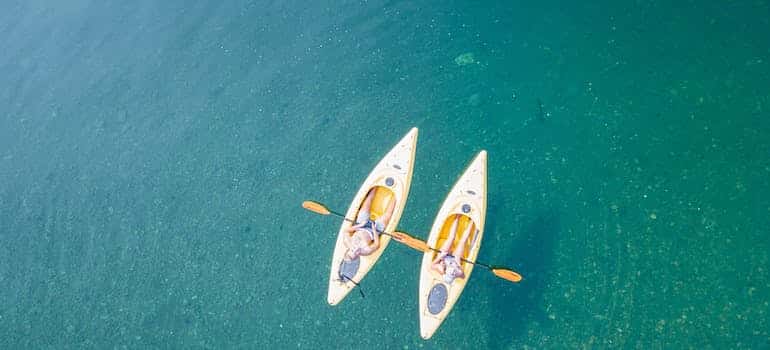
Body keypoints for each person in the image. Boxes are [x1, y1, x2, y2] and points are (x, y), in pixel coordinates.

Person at [343, 188, 395, 261]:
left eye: (352, 251)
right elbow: (377, 244)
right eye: (355, 253)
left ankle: (376, 187)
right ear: (357, 256)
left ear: (348, 249)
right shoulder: (366, 251)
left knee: (368, 201)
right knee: (388, 214)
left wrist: (360, 225)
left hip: (361, 225)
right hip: (374, 231)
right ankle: (395, 197)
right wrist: (374, 228)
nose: (355, 250)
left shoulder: (347, 241)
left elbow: (346, 230)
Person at [431, 214, 474, 284]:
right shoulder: (458, 273)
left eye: (451, 274)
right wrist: (459, 264)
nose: (453, 273)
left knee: (451, 238)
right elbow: (463, 276)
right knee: (462, 241)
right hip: (454, 260)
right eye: (453, 275)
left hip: (444, 257)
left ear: (445, 273)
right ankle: (472, 221)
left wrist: (441, 257)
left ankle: (457, 217)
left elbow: (432, 266)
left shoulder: (441, 269)